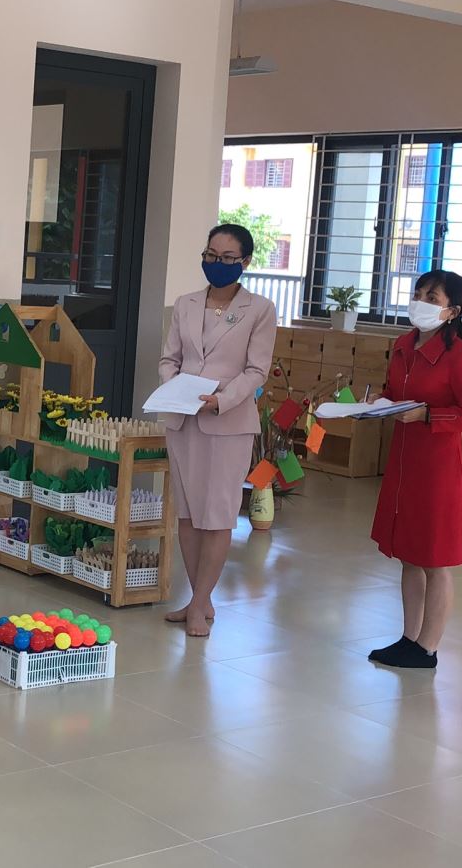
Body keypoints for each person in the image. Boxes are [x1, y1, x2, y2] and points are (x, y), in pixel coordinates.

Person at [367, 270, 462, 669]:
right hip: (403, 464)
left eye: (432, 298)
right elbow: (396, 393)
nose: (420, 302)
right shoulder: (404, 345)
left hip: (437, 470)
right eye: (418, 294)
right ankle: (409, 638)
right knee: (409, 555)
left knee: (435, 561)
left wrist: (427, 416)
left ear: (453, 311)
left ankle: (428, 647)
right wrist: (378, 402)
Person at [159, 224, 278, 637]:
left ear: (245, 262)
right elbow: (169, 359)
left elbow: (256, 370)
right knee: (188, 514)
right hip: (183, 419)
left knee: (217, 516)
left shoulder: (259, 309)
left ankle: (199, 604)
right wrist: (174, 387)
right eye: (211, 255)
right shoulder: (186, 303)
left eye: (227, 258)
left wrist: (221, 399)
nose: (217, 263)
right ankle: (199, 598)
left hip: (227, 423)